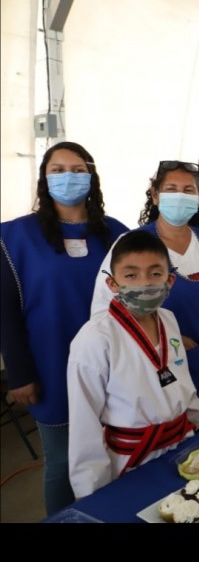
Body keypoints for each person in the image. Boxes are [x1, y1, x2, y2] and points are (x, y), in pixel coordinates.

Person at [1, 141, 129, 515]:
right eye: (57, 170)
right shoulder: (13, 238)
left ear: (91, 177)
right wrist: (19, 374)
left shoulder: (116, 234)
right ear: (44, 178)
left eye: (77, 169)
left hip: (113, 364)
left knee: (115, 451)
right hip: (50, 365)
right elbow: (5, 312)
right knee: (61, 462)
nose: (68, 177)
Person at [67, 231, 199, 498]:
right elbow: (84, 425)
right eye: (131, 275)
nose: (144, 283)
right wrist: (92, 496)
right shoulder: (95, 339)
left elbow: (178, 386)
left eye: (155, 273)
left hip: (182, 449)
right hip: (132, 461)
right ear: (112, 284)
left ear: (169, 280)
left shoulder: (168, 320)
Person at [91, 160, 199, 410]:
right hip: (162, 368)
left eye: (188, 190)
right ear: (155, 195)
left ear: (198, 197)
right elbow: (104, 312)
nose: (180, 196)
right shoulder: (132, 244)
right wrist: (167, 339)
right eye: (171, 189)